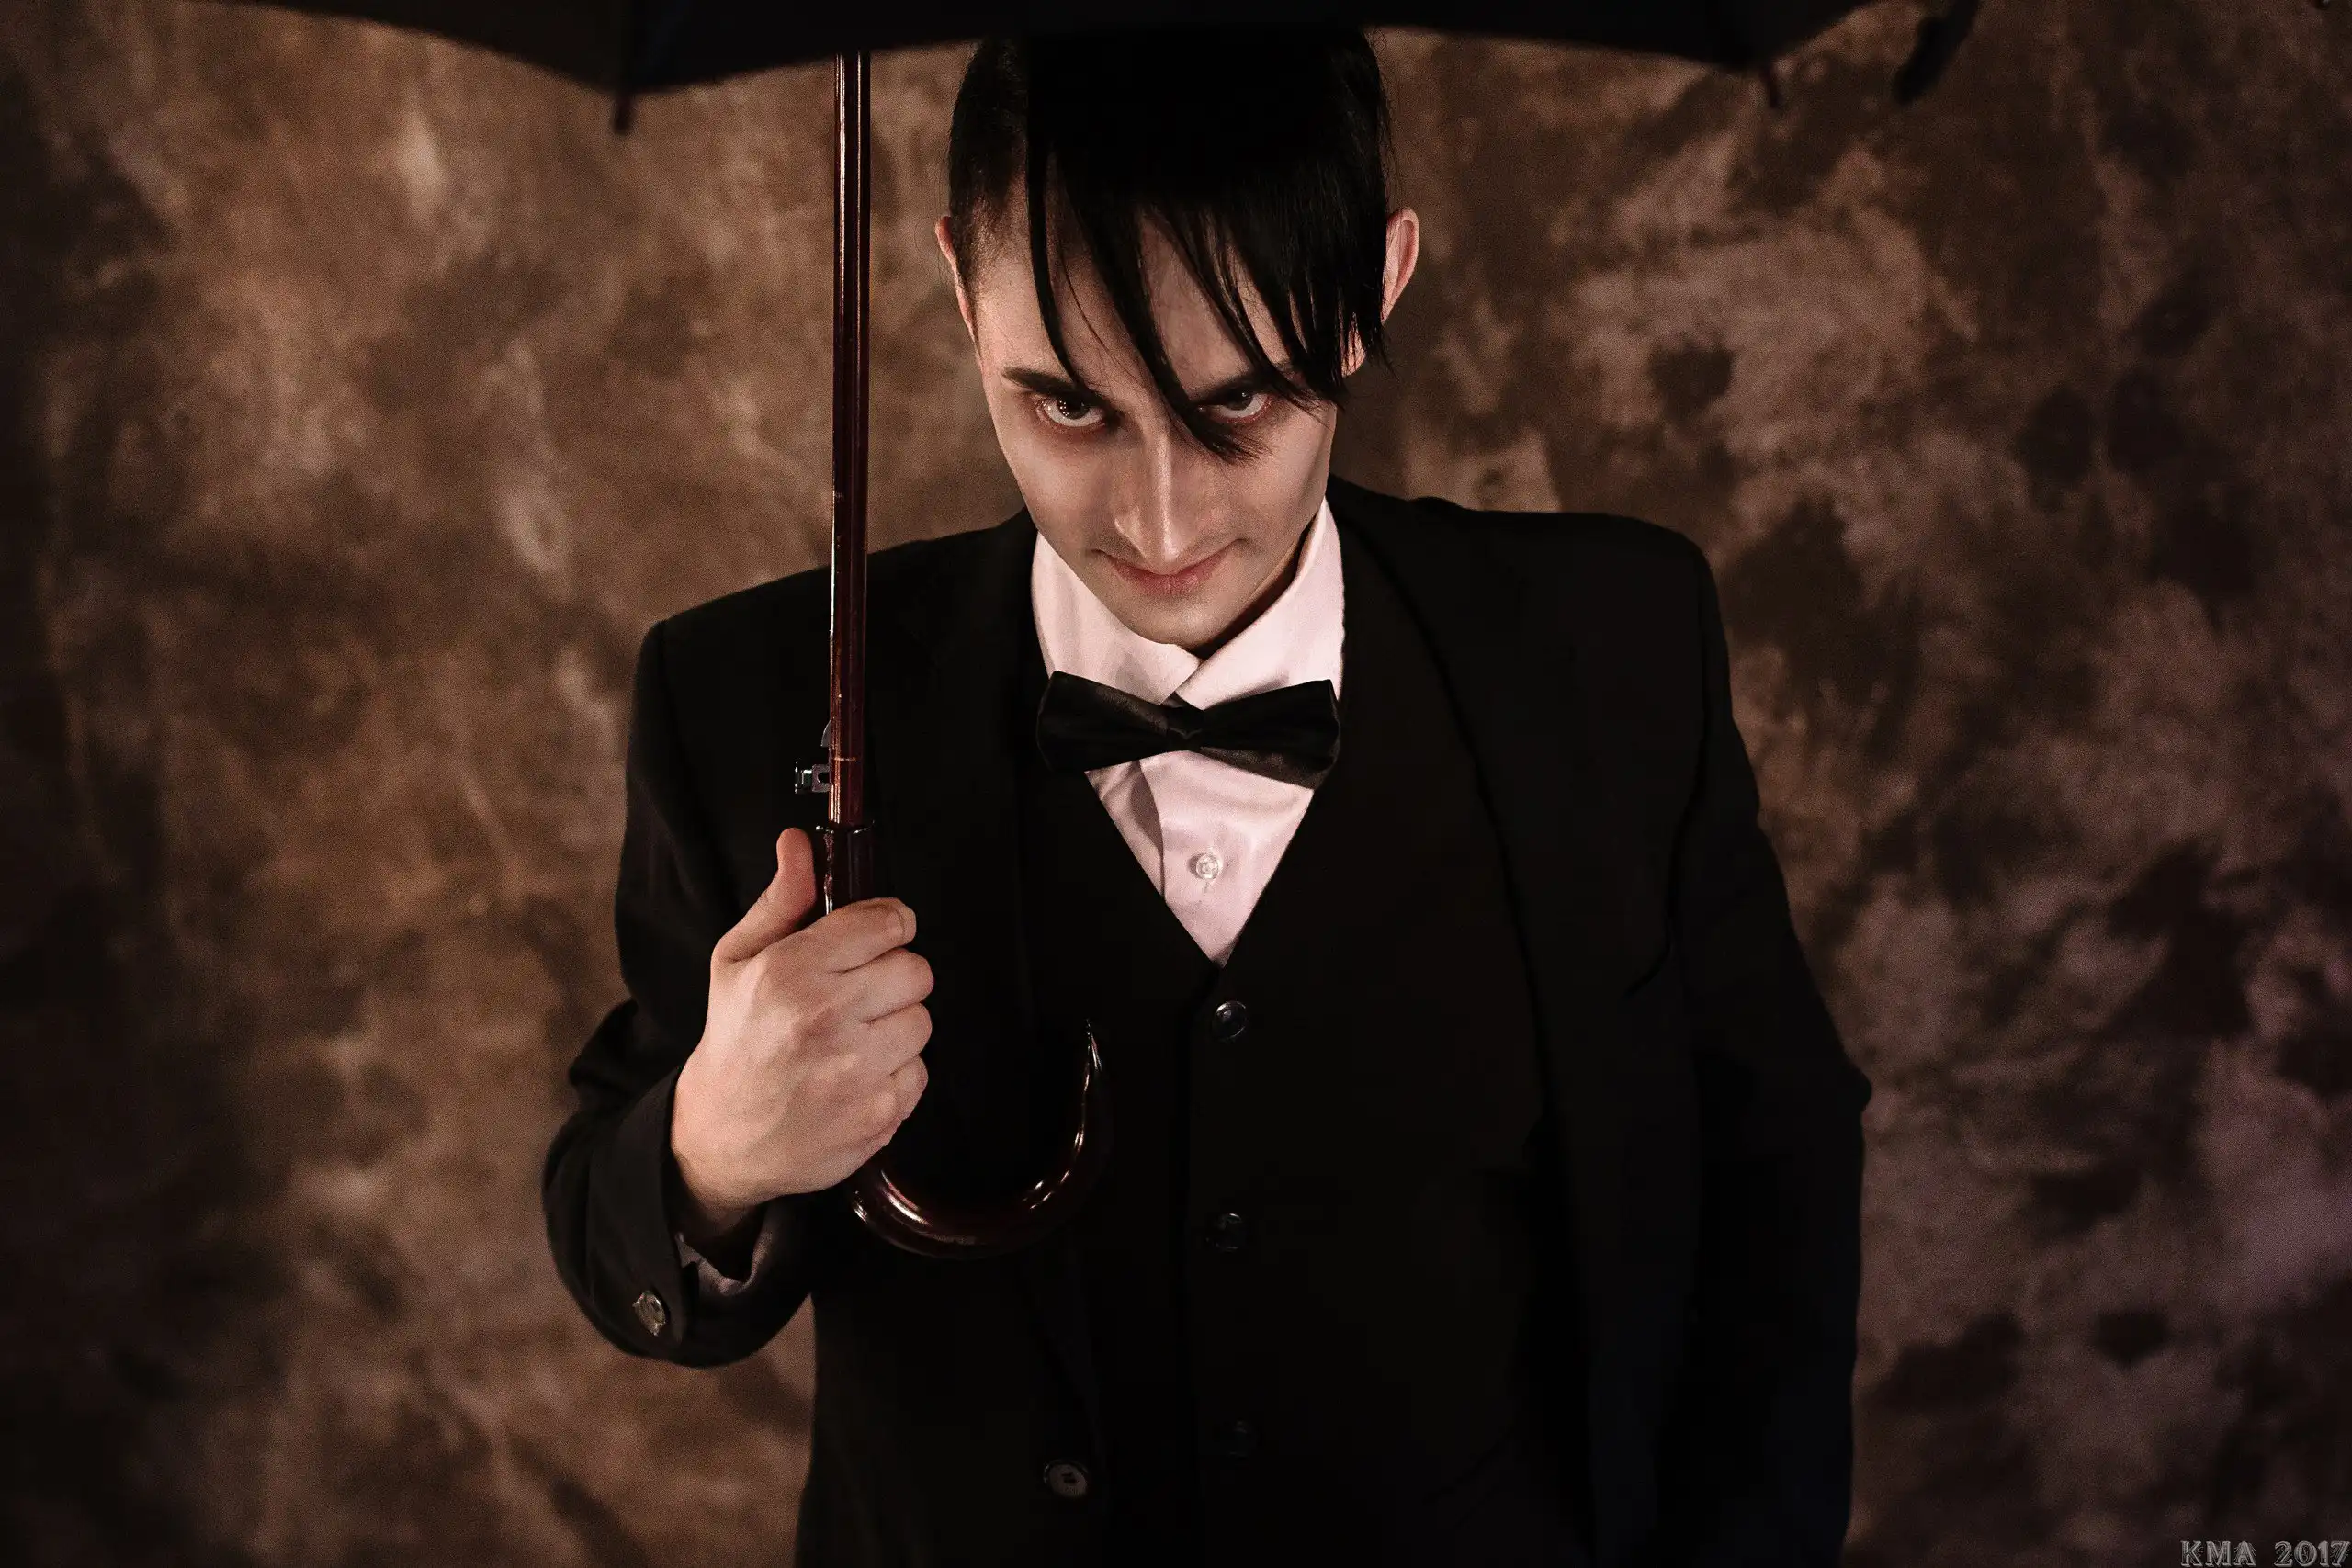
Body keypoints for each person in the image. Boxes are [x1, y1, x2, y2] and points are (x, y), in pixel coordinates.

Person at [542, 28, 1872, 1568]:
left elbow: (1774, 1163)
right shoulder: (747, 696)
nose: (1158, 520)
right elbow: (611, 1235)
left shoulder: (1614, 652)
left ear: (1376, 286)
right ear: (964, 289)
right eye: (1067, 407)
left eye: (1236, 405)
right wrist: (710, 1149)